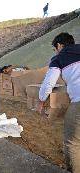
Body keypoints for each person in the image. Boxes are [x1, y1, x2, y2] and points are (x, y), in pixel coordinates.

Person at [36, 32, 80, 172]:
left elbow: (49, 83)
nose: (55, 52)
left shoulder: (58, 58)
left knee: (72, 143)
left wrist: (41, 101)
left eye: (55, 49)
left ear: (60, 45)